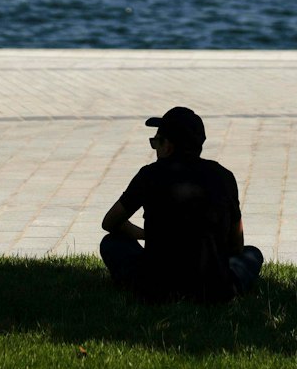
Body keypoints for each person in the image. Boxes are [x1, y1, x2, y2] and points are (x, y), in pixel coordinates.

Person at [99, 106, 264, 302]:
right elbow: (237, 246)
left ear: (168, 146)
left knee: (111, 243)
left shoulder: (150, 175)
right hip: (214, 288)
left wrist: (145, 234)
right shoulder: (224, 176)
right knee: (253, 254)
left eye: (156, 142)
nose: (155, 149)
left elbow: (109, 223)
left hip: (158, 286)